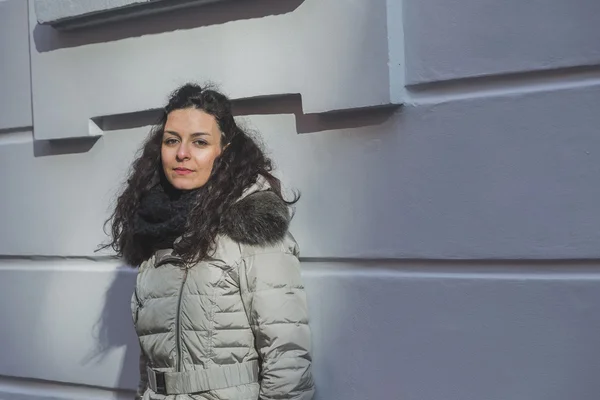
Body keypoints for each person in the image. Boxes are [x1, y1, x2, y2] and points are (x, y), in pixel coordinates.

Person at [102, 83, 315, 400]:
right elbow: (150, 359)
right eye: (171, 140)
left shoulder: (251, 230)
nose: (182, 153)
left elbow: (286, 357)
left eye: (199, 142)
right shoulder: (155, 229)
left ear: (224, 150)